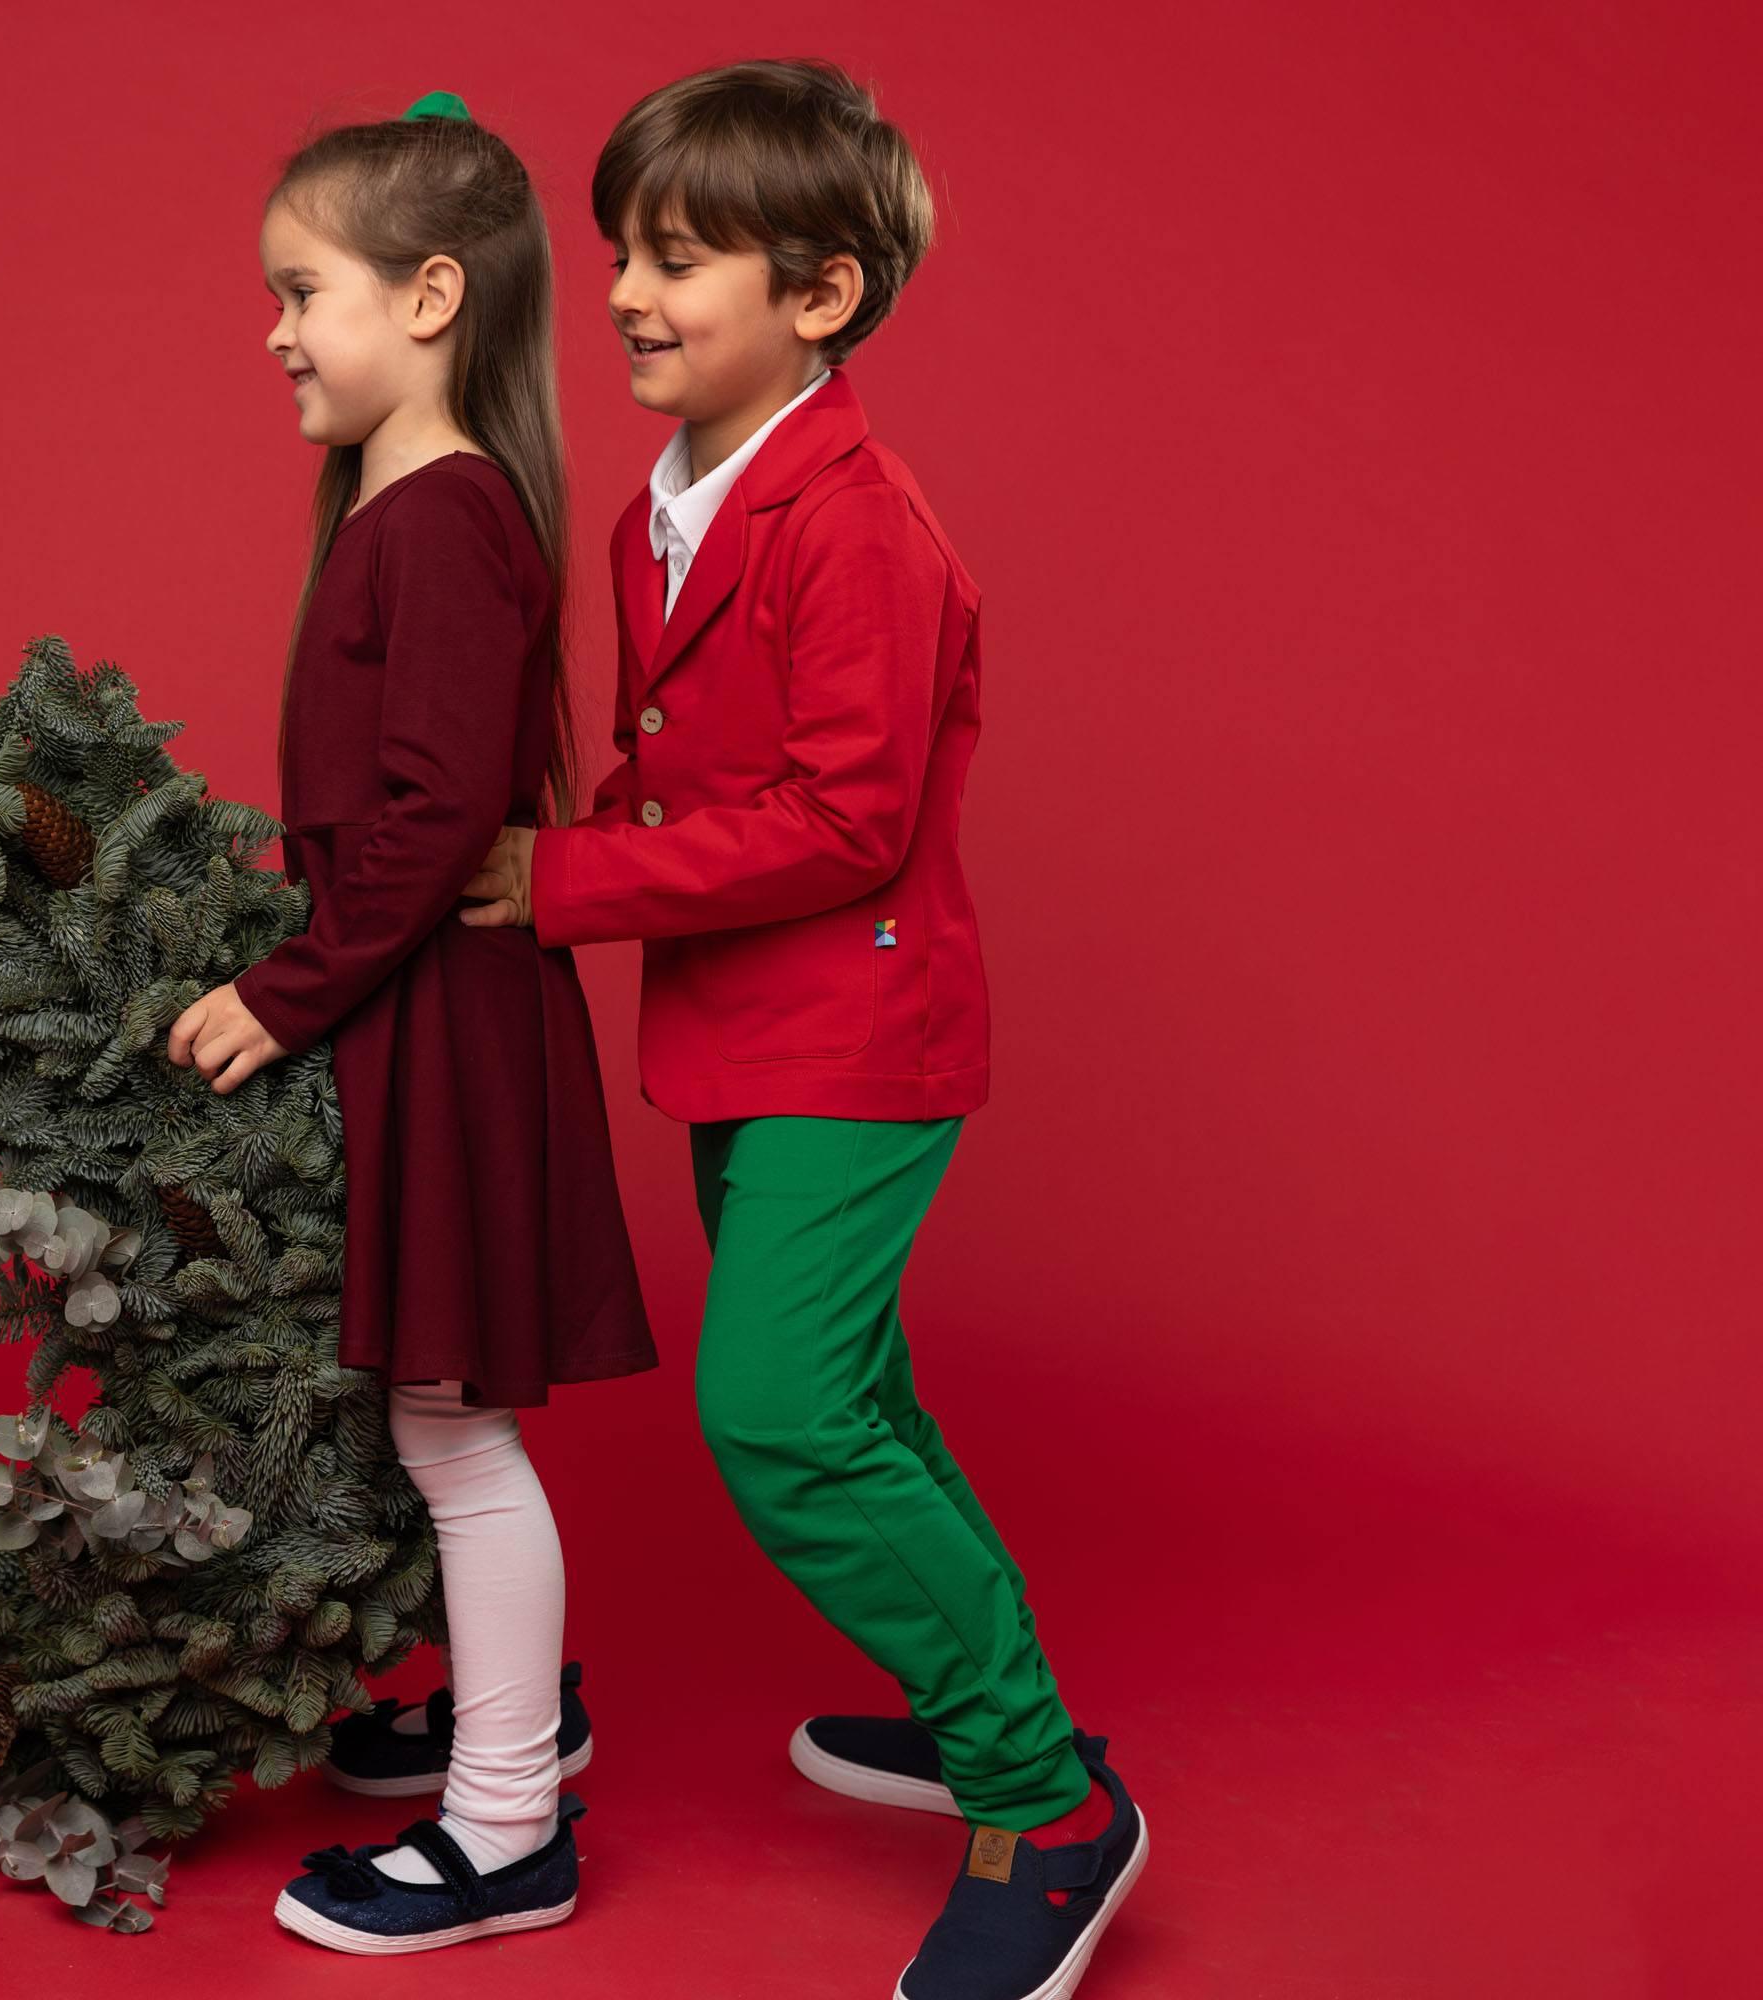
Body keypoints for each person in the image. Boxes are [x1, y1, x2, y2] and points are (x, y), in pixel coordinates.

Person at [460, 59, 1148, 2000]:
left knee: (778, 1413)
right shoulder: (667, 507)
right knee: (856, 1397)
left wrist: (561, 883)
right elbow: (677, 773)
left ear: (820, 293)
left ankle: (1046, 1796)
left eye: (679, 257)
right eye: (619, 252)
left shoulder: (862, 524)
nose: (622, 291)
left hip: (857, 1033)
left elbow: (850, 816)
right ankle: (986, 1695)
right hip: (741, 1029)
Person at [164, 87, 656, 1957]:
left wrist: (282, 998)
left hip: (440, 1016)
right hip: (417, 1007)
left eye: (306, 290)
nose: (277, 329)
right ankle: (510, 1713)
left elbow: (438, 814)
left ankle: (511, 1825)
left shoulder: (446, 515)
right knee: (429, 1415)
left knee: (454, 1433)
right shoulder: (401, 494)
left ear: (432, 295)